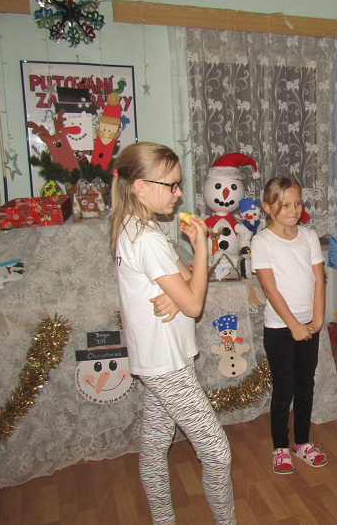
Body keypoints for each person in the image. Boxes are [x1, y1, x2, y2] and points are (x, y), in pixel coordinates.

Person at [109, 142, 237, 525]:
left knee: (154, 447)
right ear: (140, 187)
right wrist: (203, 247)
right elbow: (195, 302)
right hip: (165, 365)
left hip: (158, 359)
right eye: (172, 185)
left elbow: (185, 282)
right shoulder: (147, 238)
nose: (179, 193)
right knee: (217, 452)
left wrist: (178, 291)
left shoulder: (141, 228)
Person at [251, 175, 327, 474]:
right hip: (280, 328)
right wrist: (294, 325)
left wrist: (317, 319)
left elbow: (319, 280)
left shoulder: (308, 237)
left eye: (297, 203)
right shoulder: (262, 241)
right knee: (285, 388)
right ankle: (280, 447)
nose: (293, 210)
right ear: (267, 207)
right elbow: (271, 290)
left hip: (309, 324)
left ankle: (303, 442)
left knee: (306, 385)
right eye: (285, 205)